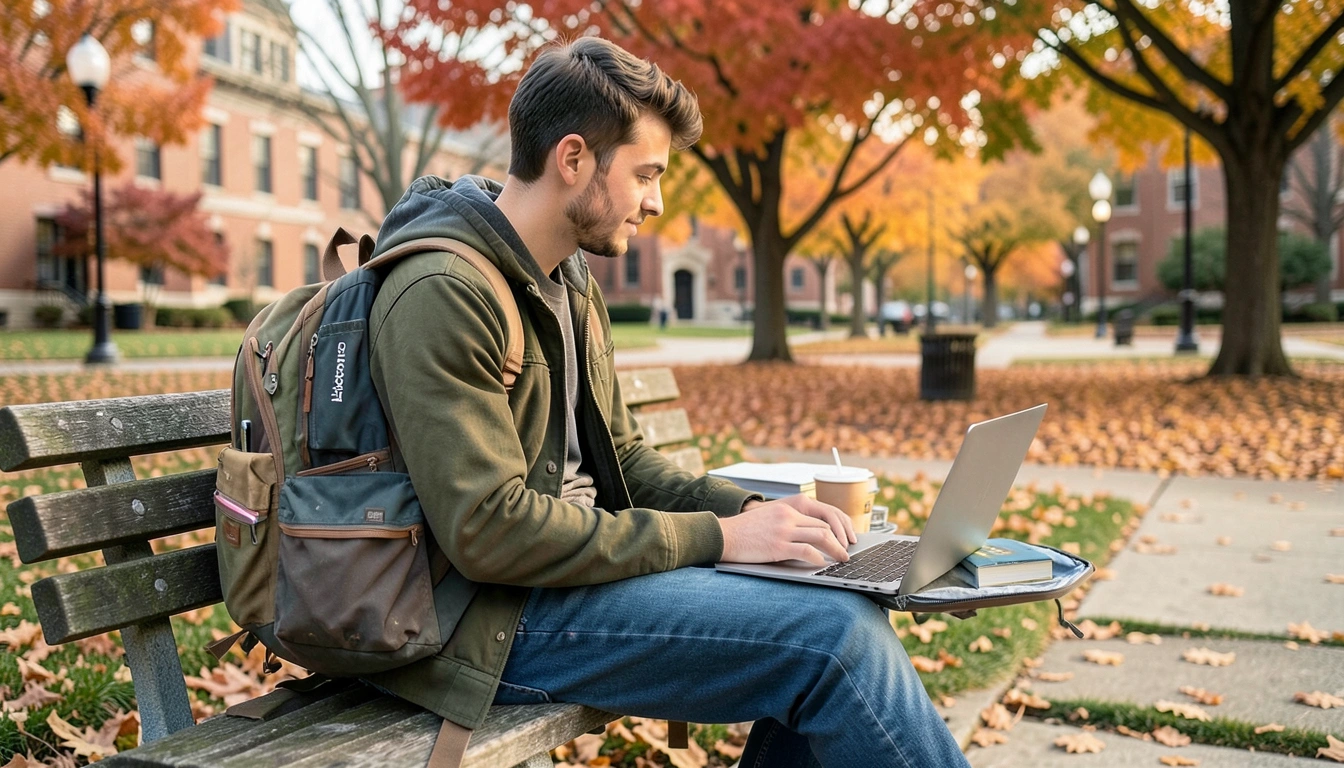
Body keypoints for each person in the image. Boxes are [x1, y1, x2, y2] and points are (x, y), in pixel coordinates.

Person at [362, 36, 970, 767]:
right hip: (481, 623)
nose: (656, 202)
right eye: (647, 174)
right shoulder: (444, 291)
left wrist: (750, 515)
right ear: (575, 158)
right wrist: (720, 541)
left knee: (844, 605)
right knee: (834, 641)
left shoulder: (569, 280)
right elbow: (488, 531)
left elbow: (622, 458)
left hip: (563, 584)